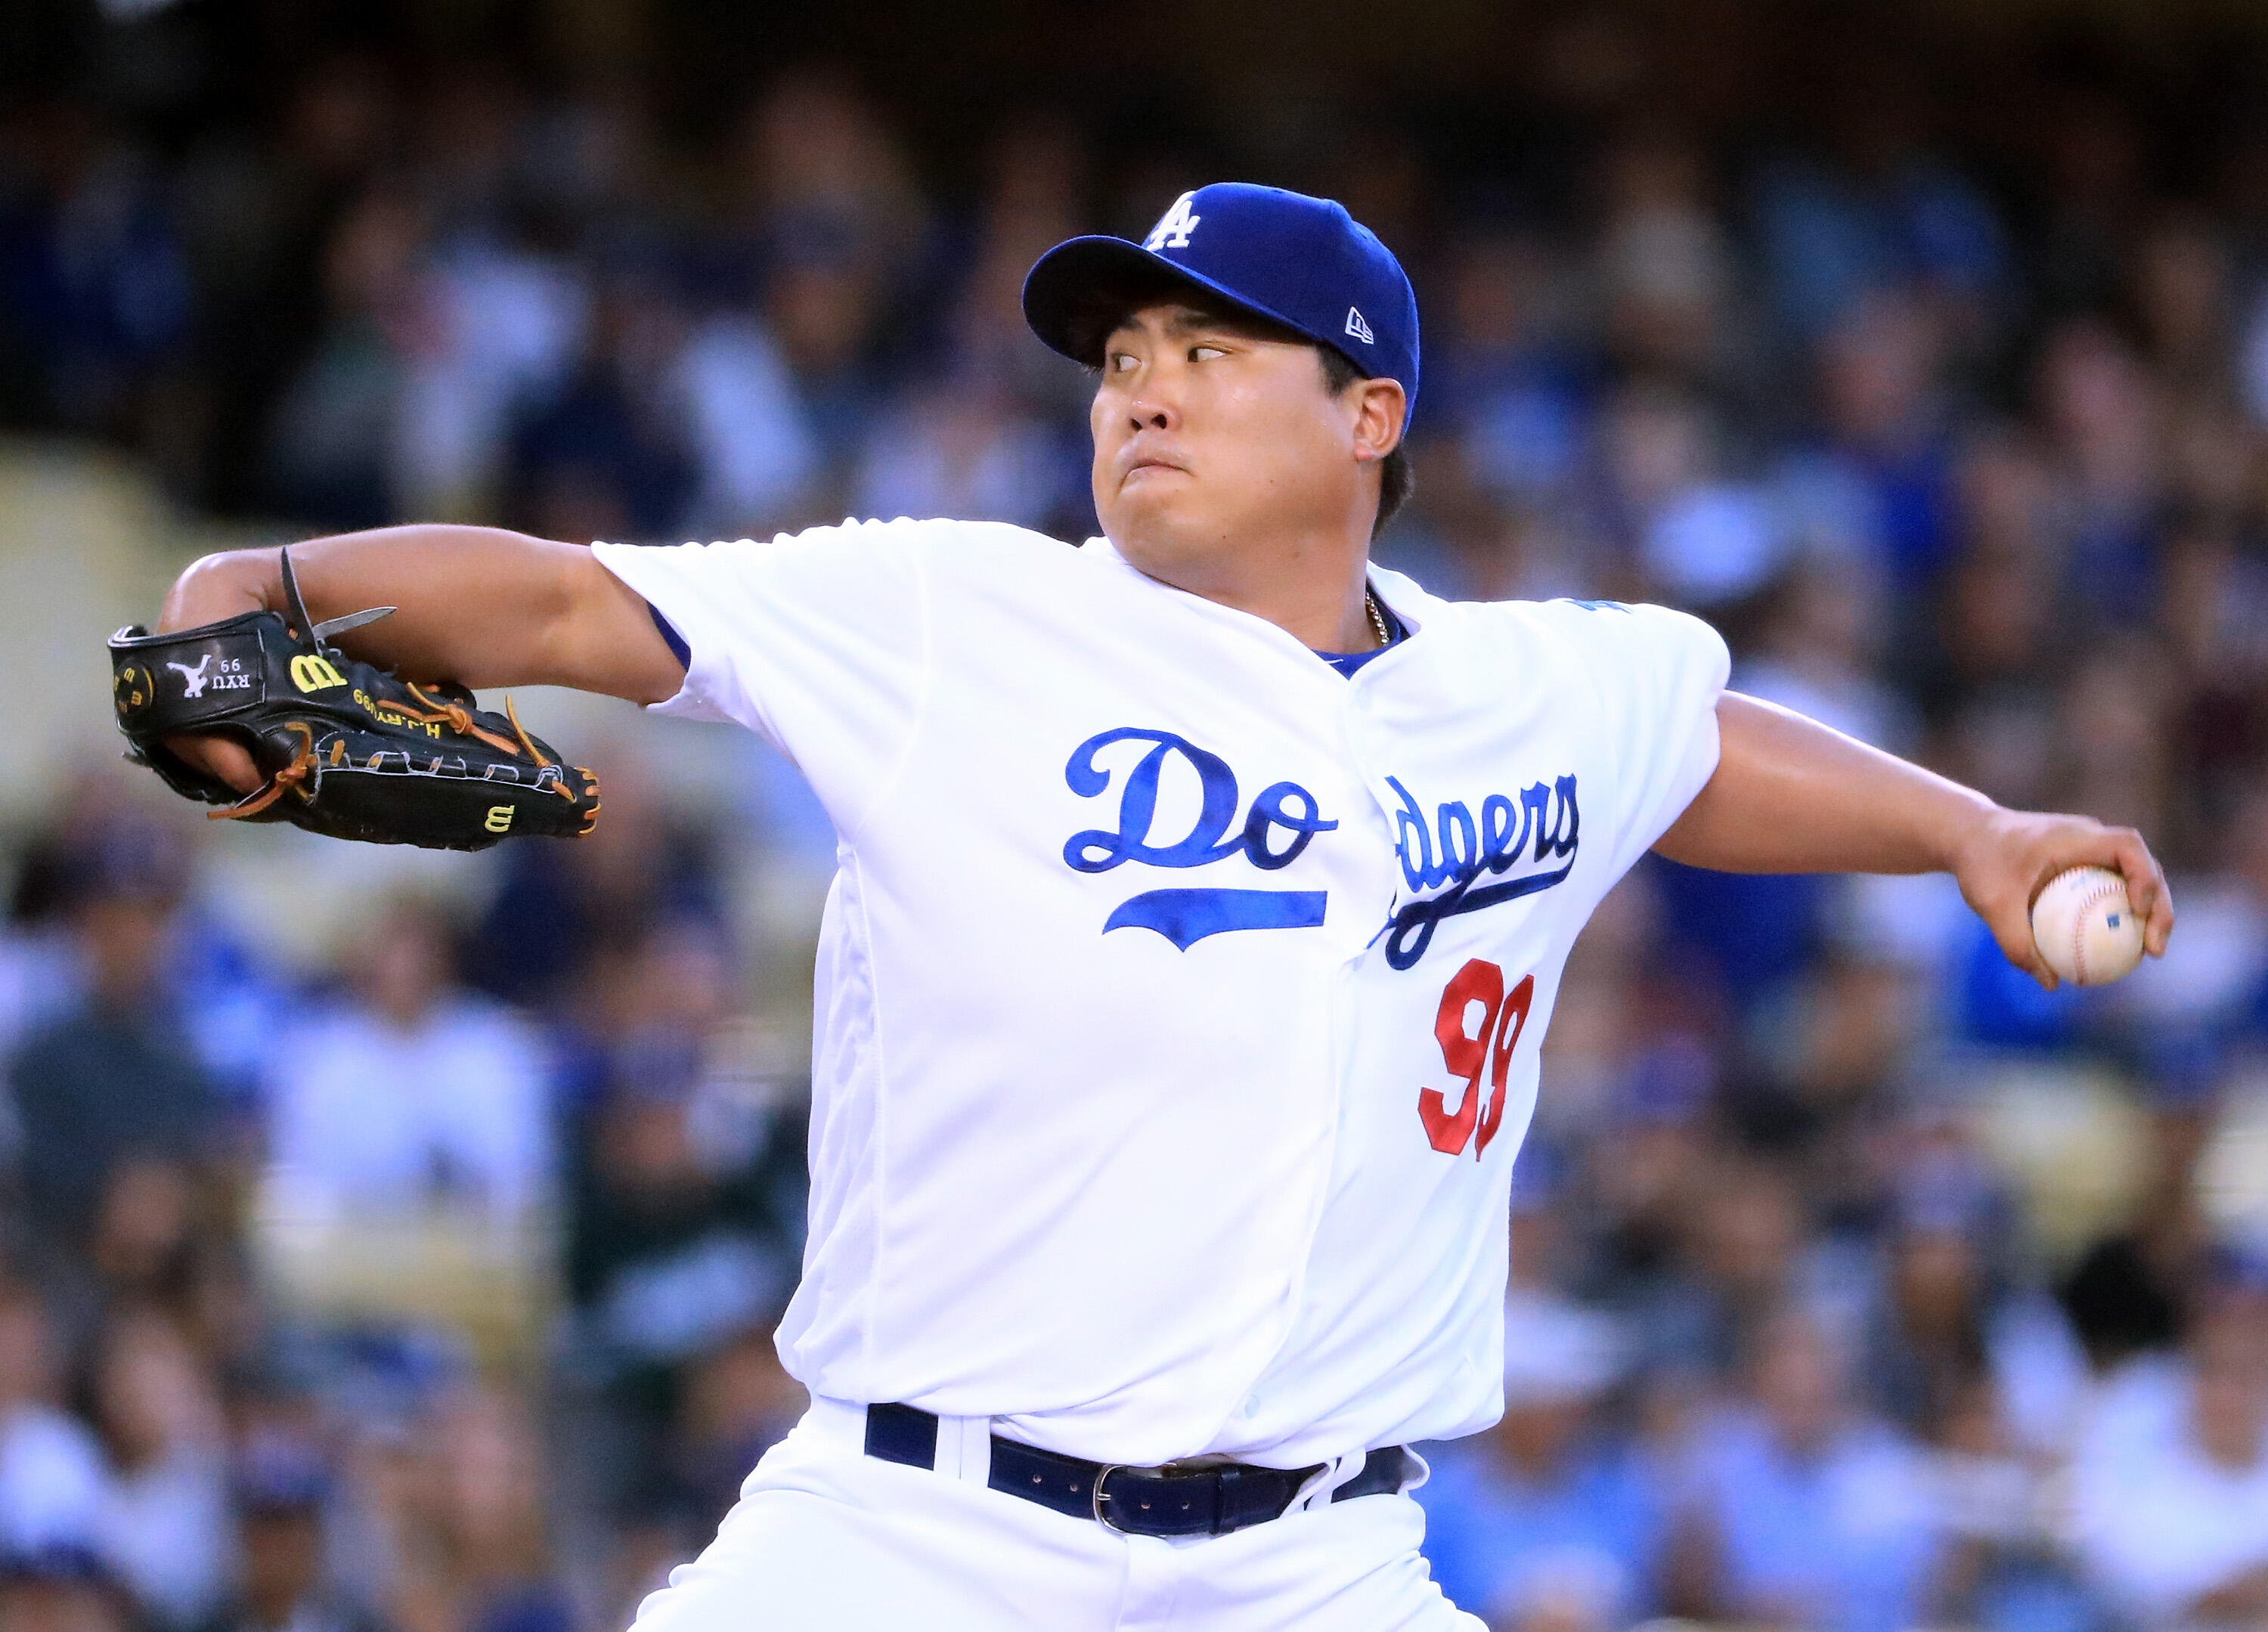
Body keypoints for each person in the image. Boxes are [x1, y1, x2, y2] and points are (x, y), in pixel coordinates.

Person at [144, 182, 2173, 1630]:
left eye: (1211, 351)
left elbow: (1697, 745)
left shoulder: (1536, 686)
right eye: (1123, 354)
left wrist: (1973, 833)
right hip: (920, 1536)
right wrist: (273, 595)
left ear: (1370, 419)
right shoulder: (959, 616)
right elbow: (590, 602)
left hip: (1321, 1562)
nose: (1142, 389)